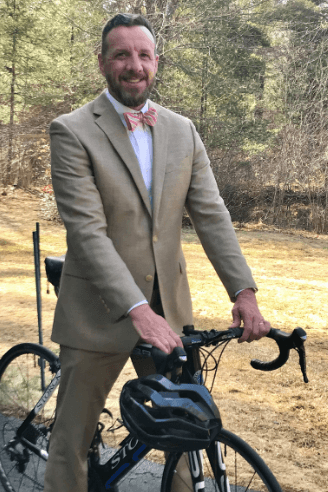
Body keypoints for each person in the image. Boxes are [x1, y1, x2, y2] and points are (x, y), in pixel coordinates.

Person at [44, 12, 270, 492]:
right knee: (70, 447)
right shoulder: (72, 130)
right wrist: (137, 310)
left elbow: (211, 214)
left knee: (185, 439)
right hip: (96, 314)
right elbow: (88, 232)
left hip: (168, 312)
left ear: (156, 63)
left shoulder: (182, 131)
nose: (134, 65)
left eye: (143, 55)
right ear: (103, 63)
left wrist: (244, 291)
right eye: (121, 54)